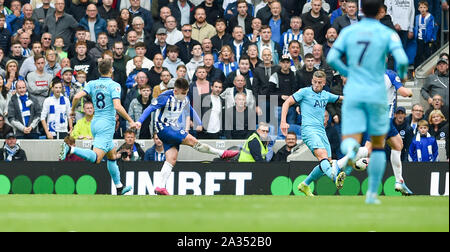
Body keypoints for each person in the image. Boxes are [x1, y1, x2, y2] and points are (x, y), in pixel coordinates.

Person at [326, 0, 409, 204]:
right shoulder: (388, 65)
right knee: (373, 148)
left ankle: (399, 181)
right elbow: (404, 73)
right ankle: (339, 164)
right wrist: (404, 82)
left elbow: (333, 58)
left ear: (361, 10)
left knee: (397, 144)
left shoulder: (351, 32)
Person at [134, 78, 240, 195]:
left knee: (171, 159)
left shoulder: (185, 98)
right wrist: (139, 121)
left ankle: (160, 186)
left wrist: (199, 122)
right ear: (175, 91)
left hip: (172, 129)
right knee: (192, 141)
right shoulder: (165, 97)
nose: (185, 95)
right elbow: (150, 108)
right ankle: (222, 153)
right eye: (183, 93)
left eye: (186, 93)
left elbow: (190, 109)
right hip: (164, 128)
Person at [59, 58, 135, 196]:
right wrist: (130, 120)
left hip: (95, 122)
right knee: (97, 158)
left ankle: (119, 187)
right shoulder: (114, 85)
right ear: (111, 70)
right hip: (106, 125)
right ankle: (71, 149)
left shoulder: (92, 83)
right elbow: (117, 106)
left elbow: (76, 97)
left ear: (100, 70)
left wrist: (72, 110)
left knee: (112, 155)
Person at [280, 71, 345, 196]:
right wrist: (283, 121)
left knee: (327, 161)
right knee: (323, 156)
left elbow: (340, 98)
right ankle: (335, 177)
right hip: (309, 130)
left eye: (319, 83)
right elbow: (286, 102)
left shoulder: (326, 95)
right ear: (312, 81)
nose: (316, 85)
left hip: (321, 131)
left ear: (324, 83)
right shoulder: (304, 92)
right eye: (314, 82)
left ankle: (305, 184)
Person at [413, 1, 437, 68]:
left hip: (428, 39)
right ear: (418, 9)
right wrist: (416, 36)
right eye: (421, 7)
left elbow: (431, 28)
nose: (422, 9)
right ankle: (416, 70)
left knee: (428, 55)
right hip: (419, 39)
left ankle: (428, 71)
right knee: (418, 55)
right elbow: (416, 27)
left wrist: (430, 38)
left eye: (424, 7)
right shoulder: (417, 17)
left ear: (427, 8)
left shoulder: (430, 17)